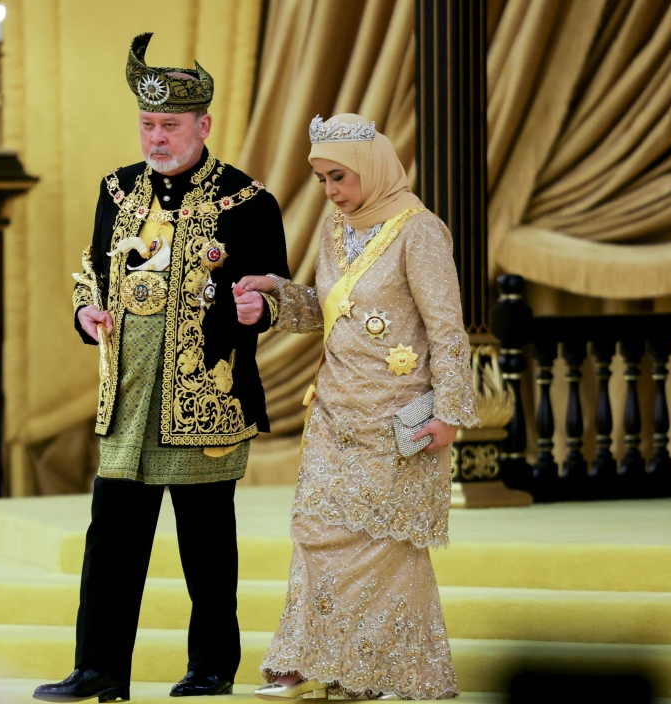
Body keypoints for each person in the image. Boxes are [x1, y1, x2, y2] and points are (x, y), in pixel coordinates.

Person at [33, 33, 290, 703]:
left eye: (169, 125)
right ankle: (97, 670)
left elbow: (277, 295)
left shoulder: (249, 202)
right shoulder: (116, 192)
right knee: (111, 540)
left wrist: (255, 307)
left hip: (207, 399)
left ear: (203, 125)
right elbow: (91, 272)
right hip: (128, 398)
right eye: (147, 124)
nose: (156, 137)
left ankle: (210, 668)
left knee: (207, 546)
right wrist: (87, 313)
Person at [234, 114, 479, 701]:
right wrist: (277, 293)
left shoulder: (419, 232)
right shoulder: (336, 229)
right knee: (315, 532)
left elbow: (447, 330)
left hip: (398, 419)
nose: (330, 192)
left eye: (338, 177)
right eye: (321, 180)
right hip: (335, 410)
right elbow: (325, 310)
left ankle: (377, 672)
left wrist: (449, 411)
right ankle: (307, 656)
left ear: (370, 168)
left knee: (386, 550)